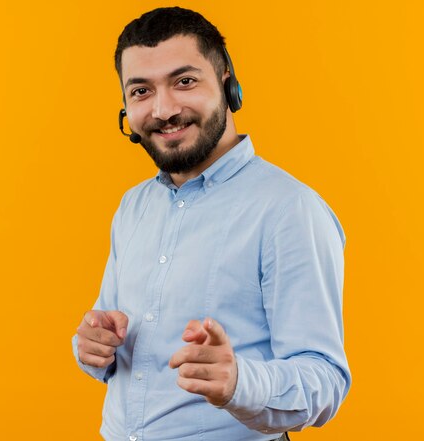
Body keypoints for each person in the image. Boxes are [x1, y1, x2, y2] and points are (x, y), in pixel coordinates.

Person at [72, 7, 350, 441]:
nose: (164, 109)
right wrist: (92, 348)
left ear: (228, 84)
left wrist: (239, 383)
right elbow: (114, 341)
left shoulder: (289, 209)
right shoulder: (134, 206)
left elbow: (325, 380)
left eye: (184, 81)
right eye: (141, 90)